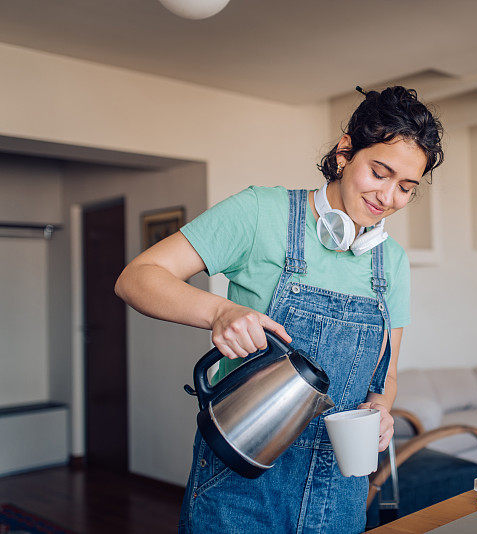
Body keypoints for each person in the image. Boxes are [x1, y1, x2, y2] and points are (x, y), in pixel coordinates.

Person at [114, 85, 444, 533]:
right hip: (241, 479)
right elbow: (137, 277)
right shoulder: (259, 213)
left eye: (405, 188)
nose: (387, 198)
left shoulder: (393, 262)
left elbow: (384, 375)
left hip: (339, 490)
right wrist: (219, 313)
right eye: (379, 173)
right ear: (345, 153)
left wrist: (381, 409)